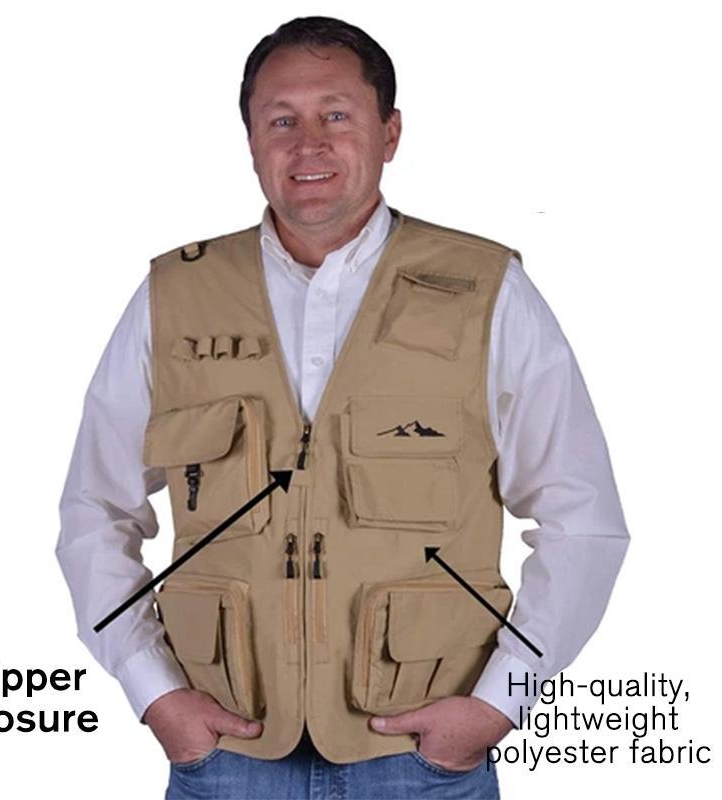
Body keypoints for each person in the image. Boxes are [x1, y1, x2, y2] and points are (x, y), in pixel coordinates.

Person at [56, 15, 630, 800]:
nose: (309, 144)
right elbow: (94, 509)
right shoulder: (174, 296)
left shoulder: (488, 290)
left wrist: (501, 703)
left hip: (423, 757)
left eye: (336, 115)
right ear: (251, 141)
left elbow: (582, 517)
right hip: (226, 756)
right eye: (281, 121)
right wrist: (153, 693)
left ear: (389, 133)